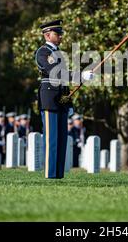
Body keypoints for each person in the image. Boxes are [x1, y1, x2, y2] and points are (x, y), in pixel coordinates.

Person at [35, 19, 93, 178]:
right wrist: (80, 76)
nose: (61, 36)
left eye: (60, 33)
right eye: (57, 33)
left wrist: (69, 101)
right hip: (49, 98)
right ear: (47, 35)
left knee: (61, 140)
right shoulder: (43, 52)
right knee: (52, 139)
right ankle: (50, 174)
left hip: (61, 99)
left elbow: (64, 80)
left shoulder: (59, 53)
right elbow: (55, 73)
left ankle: (58, 175)